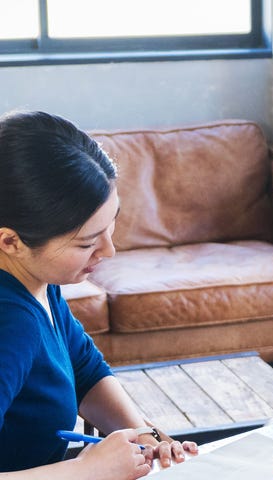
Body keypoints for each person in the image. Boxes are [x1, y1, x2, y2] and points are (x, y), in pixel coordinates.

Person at [0, 110, 198, 479]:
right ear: (11, 241)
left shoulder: (37, 283)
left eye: (111, 225)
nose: (109, 251)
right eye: (87, 242)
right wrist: (86, 470)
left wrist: (145, 435)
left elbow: (85, 372)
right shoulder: (9, 323)